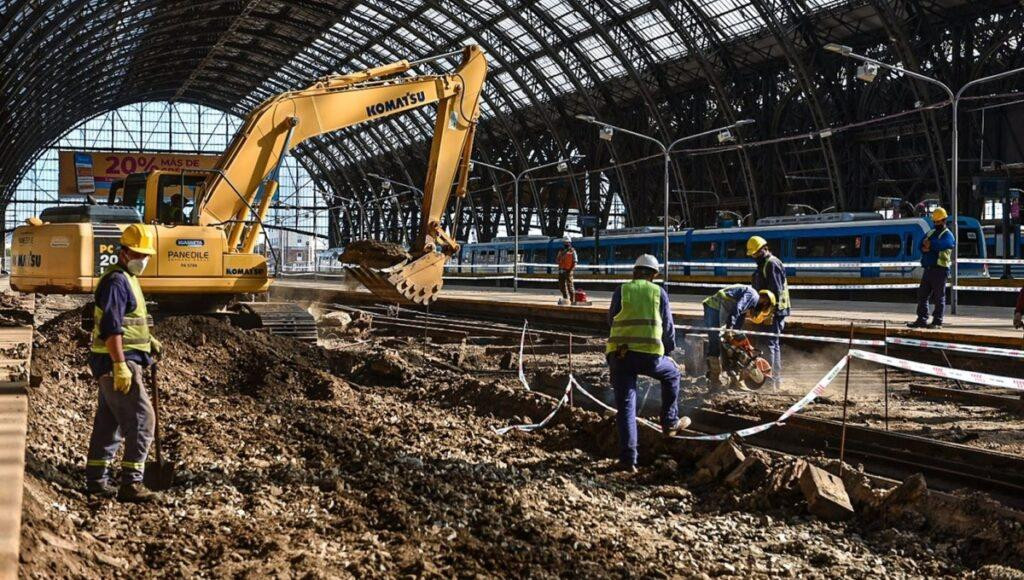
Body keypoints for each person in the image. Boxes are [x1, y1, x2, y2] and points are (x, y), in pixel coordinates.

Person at [85, 224, 163, 503]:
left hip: (118, 359)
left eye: (146, 254)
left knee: (109, 422)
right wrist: (120, 364)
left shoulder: (127, 278)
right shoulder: (118, 281)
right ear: (124, 251)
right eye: (138, 253)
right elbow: (111, 327)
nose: (143, 259)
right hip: (118, 362)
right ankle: (132, 483)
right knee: (143, 420)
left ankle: (96, 479)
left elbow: (128, 322)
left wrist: (148, 340)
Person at [606, 254, 690, 472]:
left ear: (634, 272)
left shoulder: (622, 290)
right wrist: (669, 351)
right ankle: (670, 423)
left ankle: (628, 461)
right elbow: (669, 327)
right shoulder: (658, 292)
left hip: (620, 356)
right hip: (649, 357)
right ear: (654, 275)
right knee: (672, 374)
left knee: (626, 407)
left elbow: (610, 320)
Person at [702, 284, 775, 387]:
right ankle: (714, 380)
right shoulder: (753, 296)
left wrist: (736, 337)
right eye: (763, 309)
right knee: (715, 340)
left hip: (719, 308)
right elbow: (737, 308)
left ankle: (734, 379)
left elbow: (737, 327)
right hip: (714, 307)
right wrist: (729, 328)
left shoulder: (749, 304)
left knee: (728, 344)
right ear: (765, 301)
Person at [747, 236, 790, 388]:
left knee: (770, 344)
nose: (754, 257)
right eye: (752, 255)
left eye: (755, 254)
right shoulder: (763, 264)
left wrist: (769, 313)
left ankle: (770, 381)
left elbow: (775, 292)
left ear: (763, 249)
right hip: (766, 310)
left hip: (774, 312)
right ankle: (771, 380)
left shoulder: (771, 264)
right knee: (769, 344)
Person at [908, 207, 955, 329]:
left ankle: (937, 321)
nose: (936, 224)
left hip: (940, 269)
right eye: (934, 221)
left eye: (938, 221)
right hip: (928, 269)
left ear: (944, 221)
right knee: (922, 295)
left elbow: (943, 245)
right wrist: (928, 247)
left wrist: (931, 245)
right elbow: (920, 244)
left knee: (939, 296)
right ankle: (921, 319)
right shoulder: (931, 232)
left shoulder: (948, 235)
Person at [556, 236, 577, 305]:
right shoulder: (561, 251)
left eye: (567, 242)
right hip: (561, 271)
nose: (566, 243)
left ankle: (572, 300)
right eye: (564, 242)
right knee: (561, 286)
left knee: (570, 286)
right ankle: (565, 298)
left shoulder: (572, 251)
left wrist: (570, 270)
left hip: (568, 271)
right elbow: (557, 260)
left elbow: (575, 262)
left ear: (569, 243)